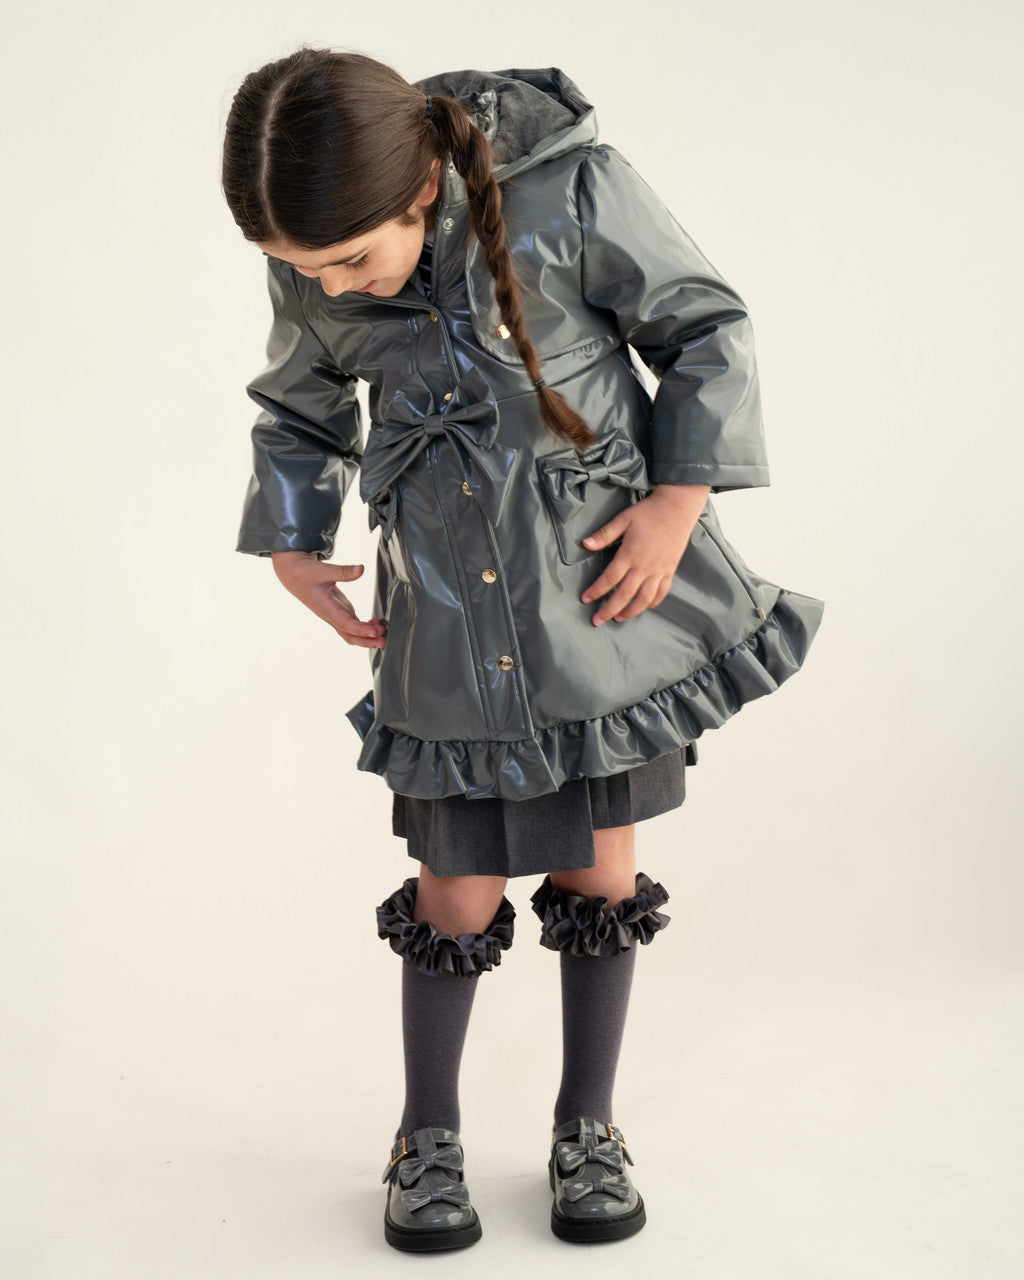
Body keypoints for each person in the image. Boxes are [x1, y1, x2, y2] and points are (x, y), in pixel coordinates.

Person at [221, 48, 824, 1253]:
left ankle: (586, 1124)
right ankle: (425, 1131)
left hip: (596, 608)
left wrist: (678, 501)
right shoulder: (318, 259)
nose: (329, 285)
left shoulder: (569, 191)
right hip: (446, 622)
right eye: (303, 270)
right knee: (455, 887)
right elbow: (297, 406)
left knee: (601, 869)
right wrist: (293, 540)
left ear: (417, 192)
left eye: (349, 261)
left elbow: (704, 327)